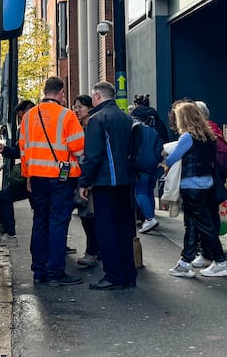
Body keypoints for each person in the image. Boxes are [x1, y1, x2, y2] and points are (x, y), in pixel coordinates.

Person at [19, 76, 85, 286]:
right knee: (57, 223)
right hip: (60, 178)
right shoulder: (67, 116)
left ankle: (38, 271)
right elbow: (79, 148)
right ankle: (55, 272)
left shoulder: (28, 116)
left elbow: (23, 149)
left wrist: (27, 175)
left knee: (40, 221)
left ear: (45, 91)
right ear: (61, 93)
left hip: (37, 177)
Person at [78, 81, 137, 290]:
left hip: (106, 182)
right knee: (124, 228)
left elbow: (93, 156)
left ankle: (113, 275)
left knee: (107, 229)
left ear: (96, 97)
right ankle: (128, 273)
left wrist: (84, 182)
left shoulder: (97, 119)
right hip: (127, 182)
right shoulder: (125, 117)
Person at [166, 102, 227, 278]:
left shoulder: (187, 137)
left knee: (203, 226)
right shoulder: (209, 135)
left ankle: (221, 262)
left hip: (191, 185)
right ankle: (185, 262)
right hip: (206, 183)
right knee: (195, 225)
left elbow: (171, 159)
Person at [0, 99, 36, 246]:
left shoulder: (32, 127)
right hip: (31, 176)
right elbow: (20, 151)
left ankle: (10, 234)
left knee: (5, 197)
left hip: (36, 176)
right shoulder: (25, 128)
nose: (21, 120)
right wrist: (4, 149)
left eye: (21, 116)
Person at [190, 100, 226, 269]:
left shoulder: (204, 131)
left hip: (205, 179)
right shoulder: (214, 128)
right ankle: (209, 253)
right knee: (211, 215)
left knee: (206, 218)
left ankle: (210, 254)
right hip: (213, 177)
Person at [129, 94, 167, 234]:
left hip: (141, 165)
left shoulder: (135, 127)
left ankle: (149, 218)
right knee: (149, 191)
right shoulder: (155, 127)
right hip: (155, 164)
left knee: (140, 192)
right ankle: (149, 216)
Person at [71, 94, 98, 268]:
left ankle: (92, 252)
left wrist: (85, 182)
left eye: (80, 106)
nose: (77, 110)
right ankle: (95, 251)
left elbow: (89, 156)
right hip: (83, 176)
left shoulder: (92, 126)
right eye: (75, 106)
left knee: (89, 216)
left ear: (89, 107)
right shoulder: (80, 126)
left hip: (89, 179)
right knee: (87, 216)